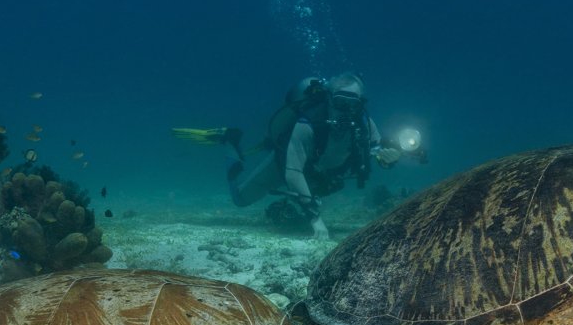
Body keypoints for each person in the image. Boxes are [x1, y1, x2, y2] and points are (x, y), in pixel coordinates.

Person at [172, 73, 404, 239]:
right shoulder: (307, 124)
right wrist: (315, 218)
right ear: (329, 100)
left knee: (312, 191)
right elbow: (293, 171)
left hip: (319, 175)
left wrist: (387, 159)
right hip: (284, 164)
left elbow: (375, 152)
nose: (346, 111)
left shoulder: (364, 125)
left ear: (360, 105)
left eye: (352, 105)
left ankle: (306, 200)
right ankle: (230, 142)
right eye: (340, 103)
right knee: (240, 199)